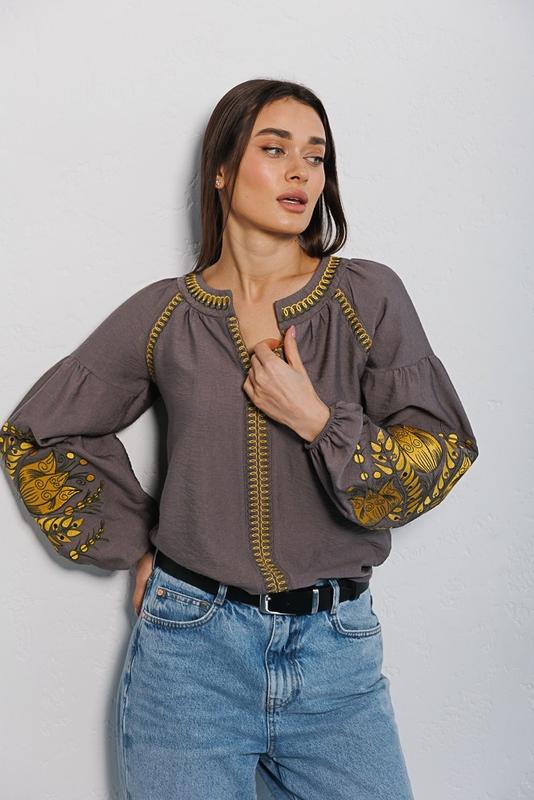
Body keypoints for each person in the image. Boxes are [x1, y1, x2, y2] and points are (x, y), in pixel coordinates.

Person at [0, 78, 479, 799]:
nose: (301, 172)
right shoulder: (165, 314)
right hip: (188, 657)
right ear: (222, 170)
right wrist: (134, 544)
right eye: (275, 149)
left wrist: (318, 420)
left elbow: (440, 450)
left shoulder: (366, 296)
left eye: (316, 156)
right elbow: (39, 431)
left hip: (337, 656)